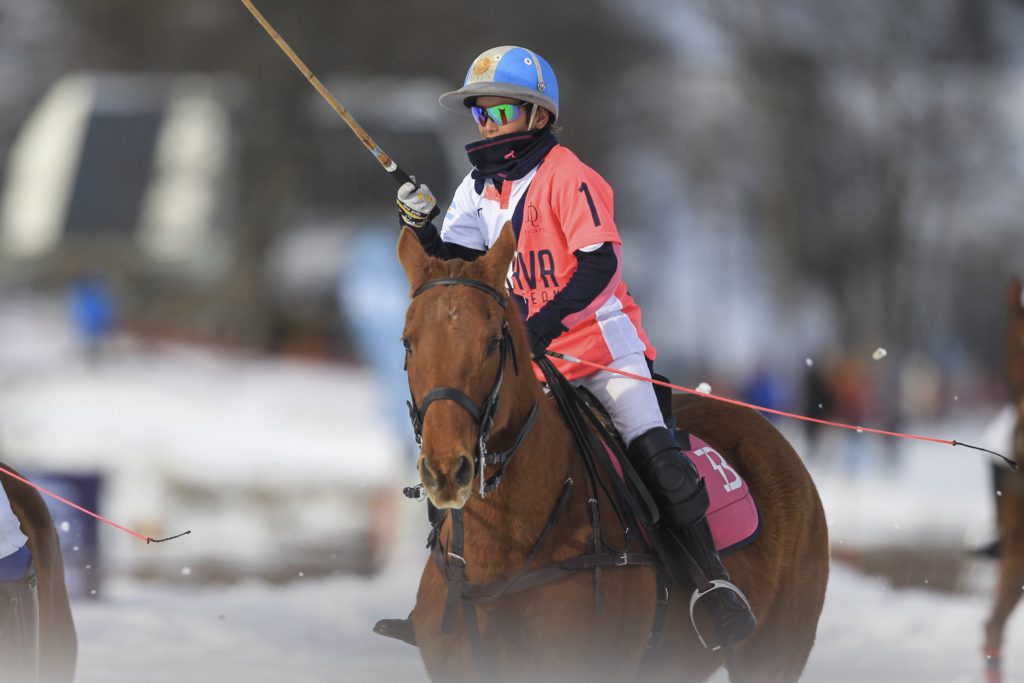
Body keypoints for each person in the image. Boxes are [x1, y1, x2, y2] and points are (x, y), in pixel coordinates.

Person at [378, 46, 755, 649]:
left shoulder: (567, 176)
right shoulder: (478, 188)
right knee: (459, 442)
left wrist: (542, 325)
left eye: (498, 111)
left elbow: (599, 262)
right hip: (530, 359)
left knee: (656, 458)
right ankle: (444, 593)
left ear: (536, 115)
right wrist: (422, 224)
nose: (488, 125)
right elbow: (456, 267)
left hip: (603, 353)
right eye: (479, 115)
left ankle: (712, 587)